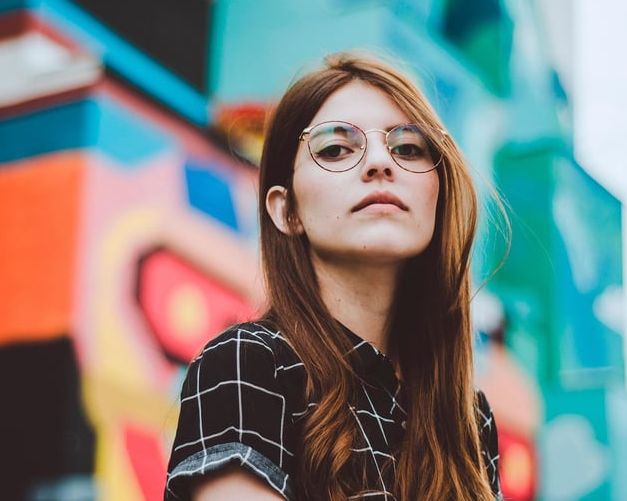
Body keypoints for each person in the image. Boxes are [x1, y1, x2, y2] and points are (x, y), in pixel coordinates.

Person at [164, 52, 503, 501]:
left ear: (437, 197)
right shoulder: (248, 363)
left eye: (408, 148)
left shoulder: (470, 419)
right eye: (336, 149)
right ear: (286, 211)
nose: (381, 163)